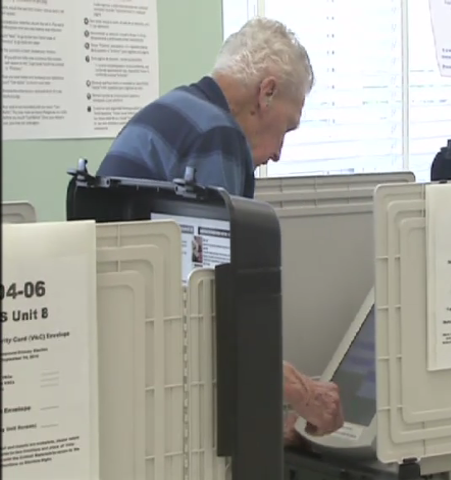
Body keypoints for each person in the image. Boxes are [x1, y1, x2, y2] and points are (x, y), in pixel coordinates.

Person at [97, 17, 344, 443]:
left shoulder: (173, 111)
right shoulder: (218, 137)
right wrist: (302, 398)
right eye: (286, 127)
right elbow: (218, 318)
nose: (279, 154)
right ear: (265, 93)